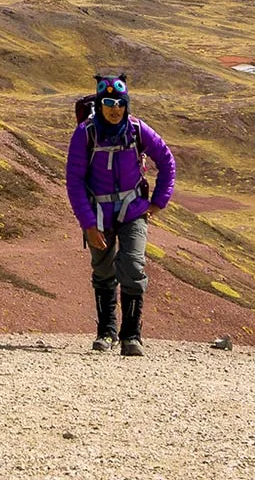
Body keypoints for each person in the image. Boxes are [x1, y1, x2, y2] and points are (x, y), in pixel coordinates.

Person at [66, 74, 176, 356]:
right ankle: (106, 333)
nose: (115, 109)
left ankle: (131, 336)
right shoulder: (85, 133)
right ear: (100, 105)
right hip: (98, 213)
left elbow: (166, 161)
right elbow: (74, 180)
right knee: (103, 271)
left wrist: (158, 202)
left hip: (134, 209)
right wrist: (88, 224)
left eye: (120, 103)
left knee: (133, 266)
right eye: (109, 103)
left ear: (126, 105)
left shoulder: (138, 130)